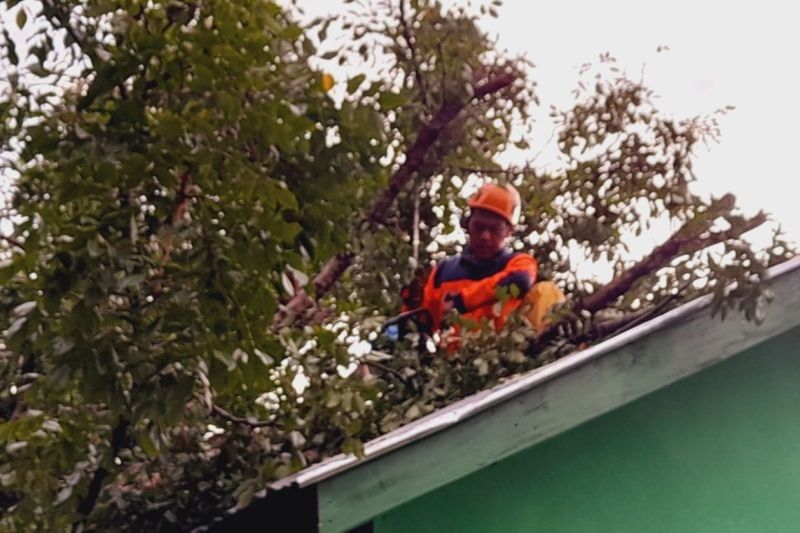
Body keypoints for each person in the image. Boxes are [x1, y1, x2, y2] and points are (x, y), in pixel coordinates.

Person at [417, 182, 564, 342]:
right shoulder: (443, 272)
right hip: (456, 359)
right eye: (479, 227)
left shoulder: (519, 263)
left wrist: (462, 300)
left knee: (546, 291)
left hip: (505, 350)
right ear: (468, 224)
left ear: (509, 231)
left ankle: (548, 346)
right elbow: (423, 321)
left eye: (494, 230)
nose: (485, 236)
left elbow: (520, 282)